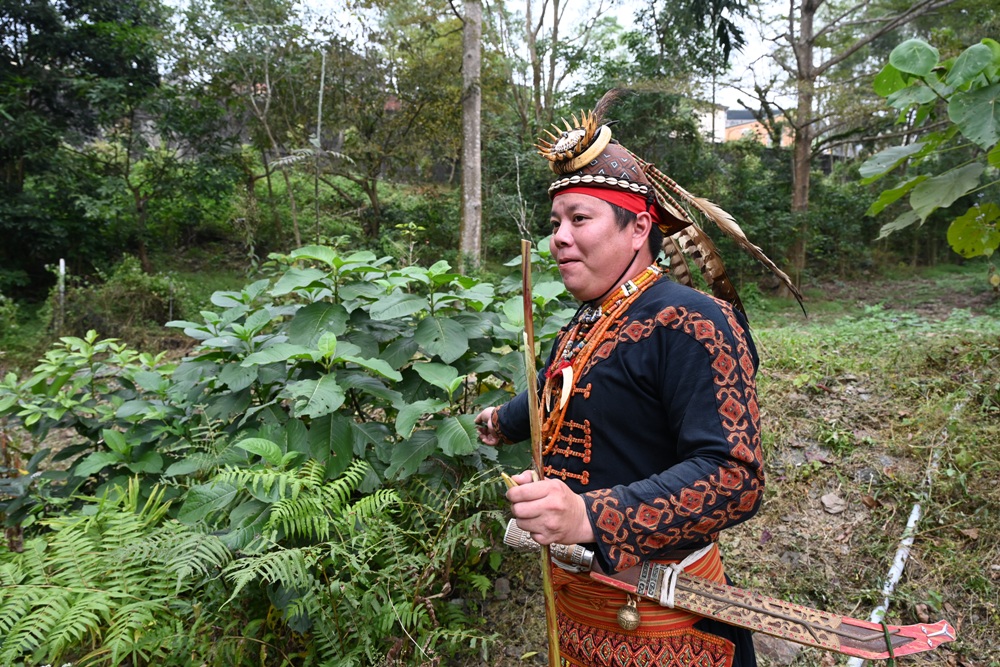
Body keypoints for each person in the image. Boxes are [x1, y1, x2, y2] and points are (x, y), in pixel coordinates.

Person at [475, 94, 772, 667]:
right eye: (555, 222)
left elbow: (735, 477)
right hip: (580, 616)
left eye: (579, 219)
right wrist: (499, 422)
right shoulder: (586, 321)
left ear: (638, 228)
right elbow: (560, 389)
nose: (559, 237)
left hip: (665, 629)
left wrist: (588, 517)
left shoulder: (692, 321)